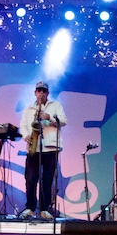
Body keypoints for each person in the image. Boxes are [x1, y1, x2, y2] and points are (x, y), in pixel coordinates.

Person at [19, 81, 67, 219]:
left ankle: (44, 209)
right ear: (35, 92)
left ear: (47, 93)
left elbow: (64, 121)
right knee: (30, 178)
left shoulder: (55, 105)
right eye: (38, 91)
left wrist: (49, 117)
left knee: (47, 179)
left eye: (43, 91)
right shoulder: (29, 109)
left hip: (50, 147)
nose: (41, 93)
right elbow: (23, 125)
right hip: (34, 146)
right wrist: (25, 135)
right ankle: (30, 208)